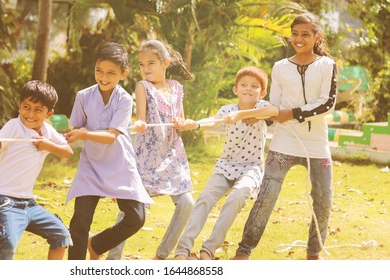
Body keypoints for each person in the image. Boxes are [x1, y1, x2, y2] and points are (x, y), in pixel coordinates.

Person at [233, 12, 337, 260]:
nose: (299, 39)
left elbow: (327, 104)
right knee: (266, 196)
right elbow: (274, 106)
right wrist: (256, 114)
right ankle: (244, 251)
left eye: (305, 34)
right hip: (283, 143)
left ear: (317, 37)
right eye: (295, 34)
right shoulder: (280, 67)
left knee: (323, 200)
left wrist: (288, 113)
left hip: (317, 146)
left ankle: (313, 253)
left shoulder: (327, 65)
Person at [173, 66, 279, 260]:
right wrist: (194, 123)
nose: (248, 89)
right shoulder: (227, 110)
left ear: (262, 92)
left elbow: (273, 111)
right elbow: (211, 121)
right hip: (226, 165)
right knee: (204, 199)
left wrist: (242, 115)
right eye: (244, 85)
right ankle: (182, 250)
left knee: (236, 198)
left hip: (251, 168)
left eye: (254, 86)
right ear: (235, 89)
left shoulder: (262, 108)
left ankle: (208, 250)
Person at [107, 39, 197, 260]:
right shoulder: (142, 86)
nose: (145, 69)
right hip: (147, 156)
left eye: (151, 63)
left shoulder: (176, 87)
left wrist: (184, 123)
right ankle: (112, 258)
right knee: (133, 209)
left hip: (173, 154)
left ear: (165, 63)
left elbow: (182, 121)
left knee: (187, 203)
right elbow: (141, 118)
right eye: (141, 64)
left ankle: (161, 256)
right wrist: (139, 124)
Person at [64, 41, 154, 260]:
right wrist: (72, 134)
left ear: (123, 74)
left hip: (120, 164)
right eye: (99, 71)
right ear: (94, 68)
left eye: (111, 73)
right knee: (80, 223)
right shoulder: (83, 96)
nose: (104, 77)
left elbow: (112, 135)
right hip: (91, 165)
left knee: (136, 218)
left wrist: (84, 134)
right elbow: (75, 126)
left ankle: (97, 244)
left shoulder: (124, 99)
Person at [0, 80, 74, 260]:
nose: (30, 114)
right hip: (3, 198)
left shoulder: (48, 131)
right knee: (7, 243)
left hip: (28, 203)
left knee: (61, 236)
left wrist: (47, 144)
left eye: (38, 110)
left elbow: (67, 152)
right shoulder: (14, 126)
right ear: (19, 106)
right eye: (26, 107)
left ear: (49, 113)